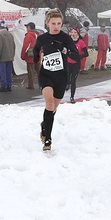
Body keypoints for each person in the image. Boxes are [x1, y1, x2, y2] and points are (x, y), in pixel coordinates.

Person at [33, 9, 80, 151]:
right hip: (46, 75)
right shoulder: (42, 38)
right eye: (53, 23)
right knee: (49, 103)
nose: (56, 26)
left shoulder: (65, 38)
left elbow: (76, 56)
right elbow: (35, 51)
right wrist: (36, 58)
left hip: (61, 76)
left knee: (53, 108)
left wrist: (64, 50)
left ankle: (44, 125)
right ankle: (48, 139)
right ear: (47, 23)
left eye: (59, 23)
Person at [67, 27, 88, 103]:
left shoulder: (81, 42)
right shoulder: (68, 42)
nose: (73, 34)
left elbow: (86, 54)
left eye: (75, 32)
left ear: (78, 34)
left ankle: (72, 97)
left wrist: (80, 56)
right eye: (72, 32)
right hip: (68, 63)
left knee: (73, 80)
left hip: (76, 63)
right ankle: (67, 83)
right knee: (67, 78)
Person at [0, 21, 16, 92]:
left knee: (2, 72)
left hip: (2, 57)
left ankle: (3, 86)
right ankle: (9, 85)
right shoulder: (10, 34)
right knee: (9, 72)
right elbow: (14, 46)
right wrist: (12, 55)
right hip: (10, 56)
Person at [21, 22, 40, 89]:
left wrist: (22, 56)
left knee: (30, 72)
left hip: (30, 56)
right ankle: (42, 84)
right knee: (39, 71)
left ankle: (31, 85)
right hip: (38, 55)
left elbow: (25, 47)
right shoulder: (39, 34)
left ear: (29, 27)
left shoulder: (29, 35)